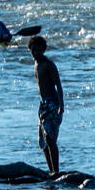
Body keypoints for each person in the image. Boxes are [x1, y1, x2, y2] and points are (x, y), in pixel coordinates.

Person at [29, 35, 63, 175]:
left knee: (50, 138)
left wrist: (61, 105)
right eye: (32, 50)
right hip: (43, 105)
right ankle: (50, 171)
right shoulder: (35, 64)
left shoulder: (48, 64)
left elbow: (58, 85)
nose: (35, 53)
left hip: (52, 104)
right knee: (43, 142)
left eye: (38, 50)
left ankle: (56, 171)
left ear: (43, 50)